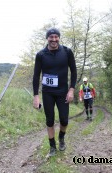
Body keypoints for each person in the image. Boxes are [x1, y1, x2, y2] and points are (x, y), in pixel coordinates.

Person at [32, 28, 77, 157]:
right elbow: (36, 76)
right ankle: (52, 147)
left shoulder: (67, 52)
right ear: (47, 38)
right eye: (51, 37)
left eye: (56, 36)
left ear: (59, 38)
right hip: (47, 93)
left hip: (63, 92)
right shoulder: (41, 55)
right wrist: (36, 96)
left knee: (64, 120)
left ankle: (61, 138)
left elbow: (73, 72)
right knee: (49, 120)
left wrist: (71, 90)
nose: (54, 39)